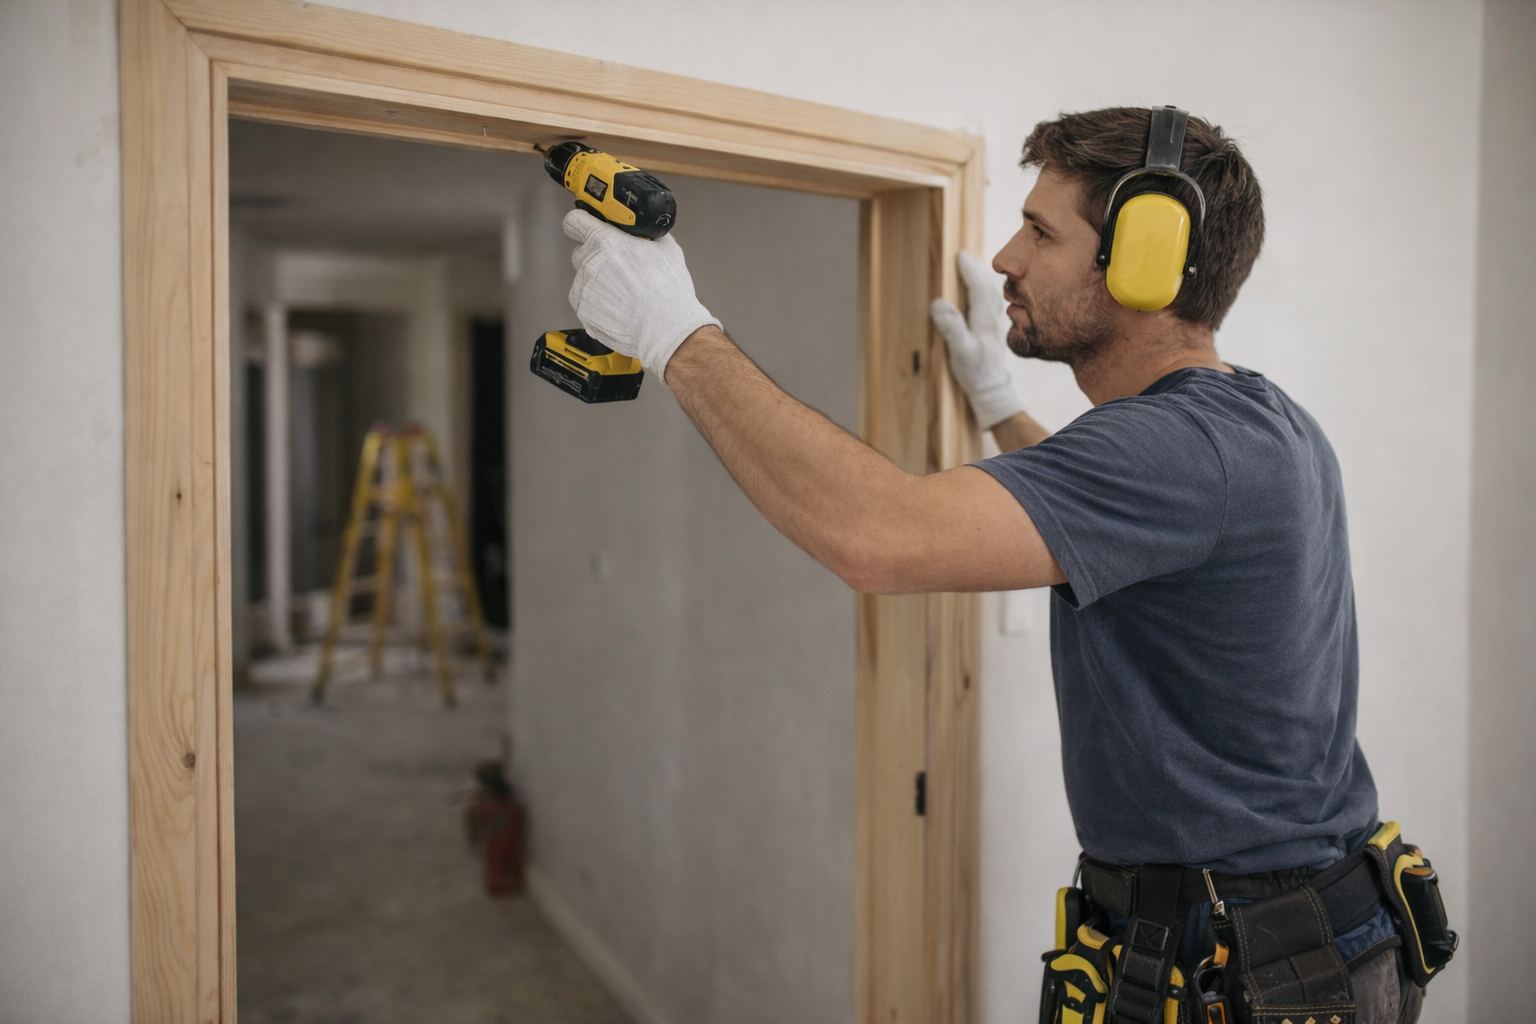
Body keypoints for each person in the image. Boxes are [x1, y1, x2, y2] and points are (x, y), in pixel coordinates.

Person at [560, 106, 1434, 1024]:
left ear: (1145, 257)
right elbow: (1110, 517)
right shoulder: (1252, 421)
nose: (1009, 257)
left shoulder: (1176, 451)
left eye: (1042, 231)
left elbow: (875, 537)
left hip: (1253, 966)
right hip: (1299, 937)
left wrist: (674, 331)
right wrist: (996, 400)